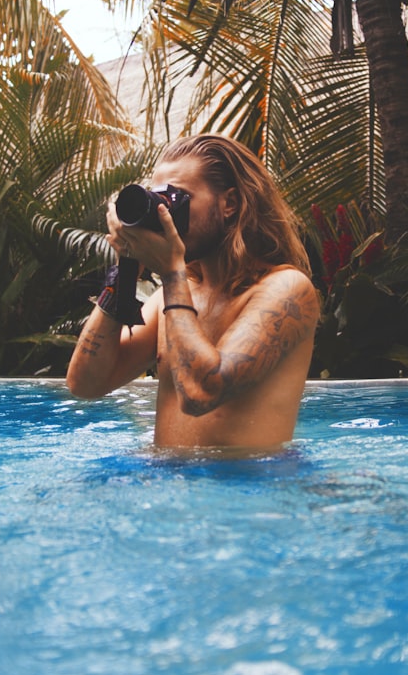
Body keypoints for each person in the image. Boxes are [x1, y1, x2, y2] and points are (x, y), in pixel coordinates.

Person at [66, 134, 320, 450]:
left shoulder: (286, 290)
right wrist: (126, 267)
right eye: (159, 199)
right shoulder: (175, 296)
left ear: (230, 204)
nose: (165, 215)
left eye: (178, 199)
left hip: (248, 490)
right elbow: (85, 383)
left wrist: (172, 274)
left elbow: (201, 394)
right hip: (169, 488)